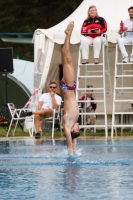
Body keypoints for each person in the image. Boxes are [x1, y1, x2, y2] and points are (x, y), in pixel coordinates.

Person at [60, 21, 80, 155]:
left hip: (68, 87)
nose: (79, 127)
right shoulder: (74, 120)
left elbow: (68, 141)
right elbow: (72, 141)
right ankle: (68, 35)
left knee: (68, 59)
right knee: (68, 59)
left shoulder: (67, 123)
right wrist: (75, 148)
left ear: (72, 130)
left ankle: (68, 34)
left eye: (78, 130)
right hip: (70, 88)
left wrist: (71, 155)